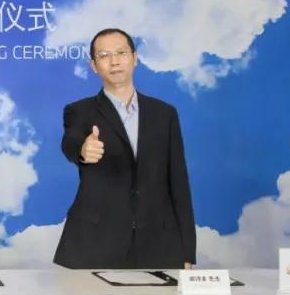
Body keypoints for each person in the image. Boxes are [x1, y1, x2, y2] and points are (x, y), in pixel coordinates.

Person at [53, 28, 195, 269]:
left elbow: (178, 182)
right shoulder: (79, 111)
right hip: (95, 243)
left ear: (135, 58)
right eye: (104, 55)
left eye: (121, 53)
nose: (114, 61)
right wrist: (83, 151)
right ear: (94, 66)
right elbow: (71, 141)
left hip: (158, 243)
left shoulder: (164, 114)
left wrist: (187, 250)